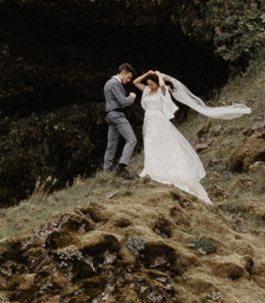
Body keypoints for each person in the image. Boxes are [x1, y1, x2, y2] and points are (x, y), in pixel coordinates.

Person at [135, 70, 251, 204]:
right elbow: (135, 82)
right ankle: (150, 167)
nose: (150, 86)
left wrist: (158, 75)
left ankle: (164, 168)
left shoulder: (162, 90)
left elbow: (161, 85)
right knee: (150, 144)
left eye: (152, 84)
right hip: (148, 121)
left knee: (164, 143)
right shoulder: (146, 91)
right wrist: (147, 74)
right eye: (149, 84)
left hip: (159, 120)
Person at [101, 64, 140, 175]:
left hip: (111, 116)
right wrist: (132, 97)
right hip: (116, 115)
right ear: (123, 73)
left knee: (111, 145)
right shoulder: (114, 83)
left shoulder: (112, 83)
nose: (129, 80)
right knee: (132, 140)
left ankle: (107, 172)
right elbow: (123, 101)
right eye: (128, 77)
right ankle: (121, 168)